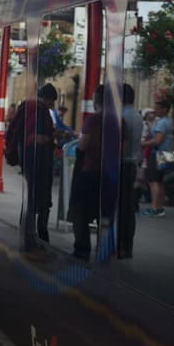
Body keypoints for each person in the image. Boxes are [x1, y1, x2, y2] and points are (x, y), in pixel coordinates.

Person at [8, 82, 58, 249]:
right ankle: (39, 235)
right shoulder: (40, 111)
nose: (52, 105)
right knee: (40, 199)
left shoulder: (29, 108)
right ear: (47, 99)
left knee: (31, 197)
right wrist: (50, 138)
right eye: (52, 102)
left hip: (28, 160)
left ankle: (27, 231)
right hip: (39, 161)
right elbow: (37, 138)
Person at [69, 85, 104, 260]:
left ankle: (82, 249)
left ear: (96, 100)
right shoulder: (119, 121)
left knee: (81, 213)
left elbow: (83, 145)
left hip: (89, 171)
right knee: (103, 214)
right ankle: (104, 248)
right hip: (109, 173)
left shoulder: (93, 120)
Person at [118, 84, 143, 258]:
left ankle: (120, 244)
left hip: (122, 164)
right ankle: (127, 246)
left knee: (120, 208)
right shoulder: (137, 116)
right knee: (128, 207)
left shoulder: (122, 116)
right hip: (132, 164)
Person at [141, 99, 174, 216]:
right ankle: (160, 207)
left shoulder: (162, 123)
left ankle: (154, 207)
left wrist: (143, 144)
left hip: (157, 154)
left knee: (153, 181)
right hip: (165, 154)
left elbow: (157, 140)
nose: (155, 111)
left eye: (157, 108)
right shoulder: (168, 121)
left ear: (164, 109)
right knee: (160, 181)